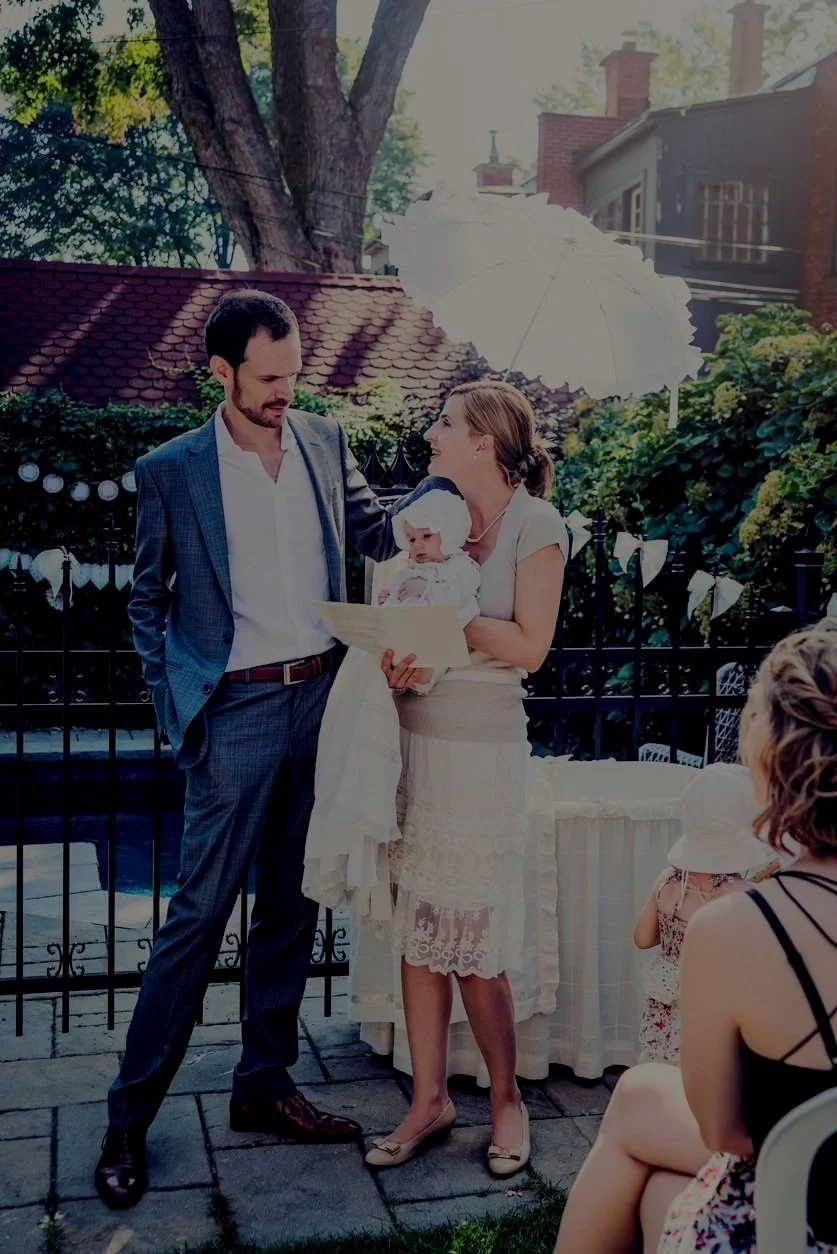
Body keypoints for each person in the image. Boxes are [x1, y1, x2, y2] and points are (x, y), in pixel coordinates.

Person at [95, 289, 439, 1209]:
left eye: (293, 374)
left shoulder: (324, 440)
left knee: (291, 902)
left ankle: (264, 1083)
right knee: (198, 915)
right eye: (269, 377)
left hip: (322, 698)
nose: (286, 391)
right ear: (222, 371)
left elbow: (374, 531)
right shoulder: (171, 470)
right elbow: (147, 600)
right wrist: (181, 709)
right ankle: (128, 1116)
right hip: (235, 710)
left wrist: (434, 507)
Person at [555, 618, 837, 1254]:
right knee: (659, 1185)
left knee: (640, 1114)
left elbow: (723, 1132)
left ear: (768, 765)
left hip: (806, 1216)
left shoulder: (736, 927)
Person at [372, 380, 567, 1175]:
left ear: (483, 441)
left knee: (475, 941)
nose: (430, 433)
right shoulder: (435, 517)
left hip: (482, 754)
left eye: (444, 423)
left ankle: (505, 1101)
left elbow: (529, 647)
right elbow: (409, 618)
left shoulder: (536, 524)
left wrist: (449, 615)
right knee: (418, 931)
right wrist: (394, 646)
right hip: (414, 738)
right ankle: (428, 1100)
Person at [303, 488, 480, 927]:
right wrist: (387, 606)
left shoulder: (458, 572)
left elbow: (456, 611)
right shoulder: (405, 572)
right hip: (378, 669)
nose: (417, 546)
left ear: (451, 534)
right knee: (349, 736)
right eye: (412, 538)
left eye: (426, 537)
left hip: (420, 665)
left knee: (376, 751)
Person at [634, 763, 768, 1065]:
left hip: (666, 1018)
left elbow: (642, 938)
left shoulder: (667, 881)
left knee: (662, 1070)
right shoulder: (742, 894)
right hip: (711, 1011)